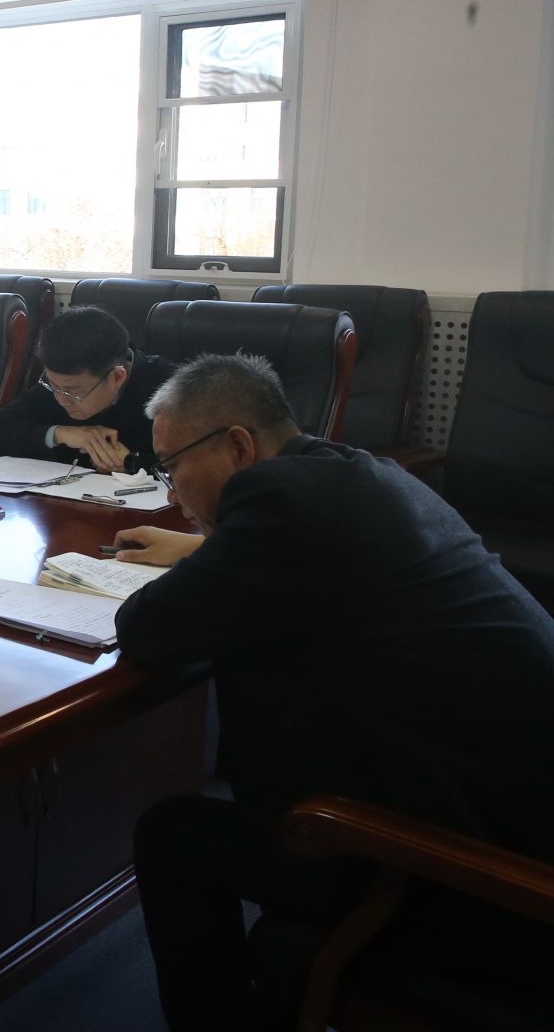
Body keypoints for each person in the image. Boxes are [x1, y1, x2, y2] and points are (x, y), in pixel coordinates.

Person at [112, 353, 554, 1030]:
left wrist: (211, 553)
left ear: (237, 446)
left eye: (171, 467)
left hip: (480, 881)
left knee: (174, 838)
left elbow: (148, 628)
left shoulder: (281, 503)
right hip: (518, 819)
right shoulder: (358, 473)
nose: (171, 492)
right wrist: (205, 548)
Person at [0, 305, 176, 472]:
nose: (62, 400)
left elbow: (191, 466)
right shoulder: (57, 385)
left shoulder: (170, 389)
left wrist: (131, 463)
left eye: (74, 392)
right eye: (54, 386)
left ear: (117, 377)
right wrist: (59, 434)